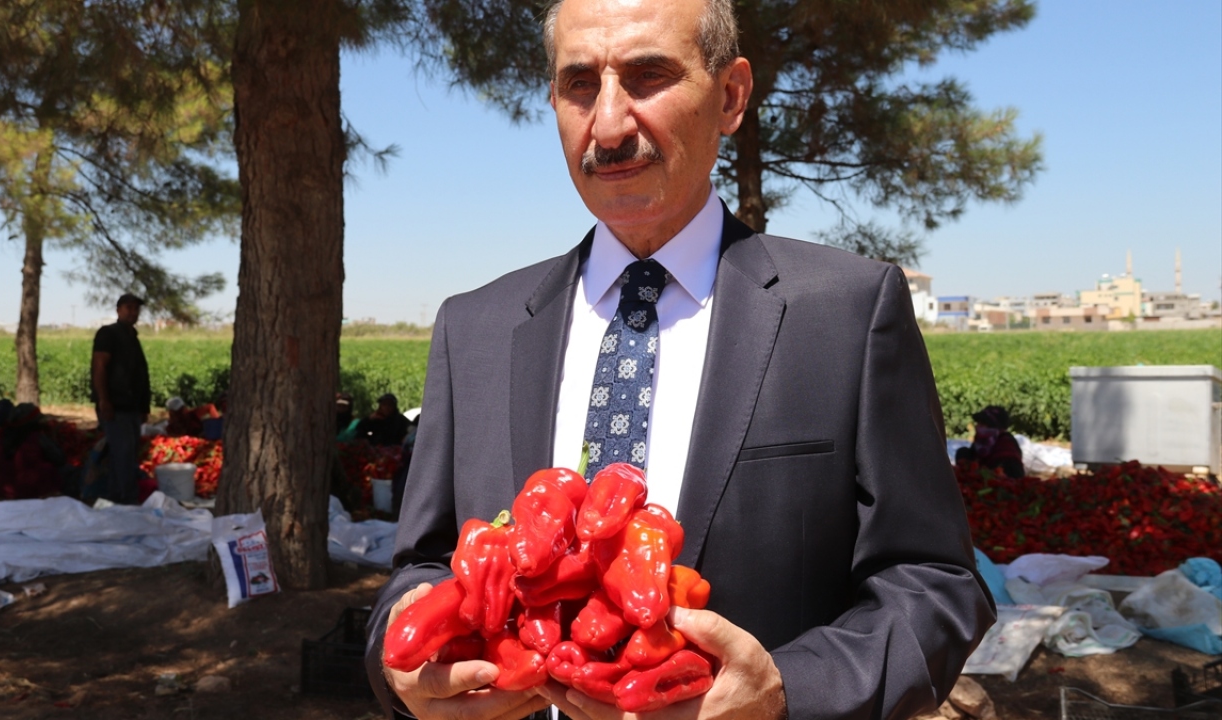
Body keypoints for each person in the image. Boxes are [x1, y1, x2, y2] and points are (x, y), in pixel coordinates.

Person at [364, 0, 994, 718]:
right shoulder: (473, 329)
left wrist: (787, 691)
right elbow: (421, 566)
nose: (607, 124)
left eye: (648, 75)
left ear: (729, 96)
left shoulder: (847, 312)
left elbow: (934, 581)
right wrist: (400, 661)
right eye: (578, 84)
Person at [91, 292, 151, 504]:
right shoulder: (109, 334)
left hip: (132, 406)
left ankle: (117, 497)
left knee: (127, 454)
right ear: (118, 310)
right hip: (115, 406)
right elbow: (99, 366)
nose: (132, 312)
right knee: (122, 454)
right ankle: (125, 499)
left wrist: (144, 406)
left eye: (136, 309)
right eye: (128, 308)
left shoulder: (132, 337)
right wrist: (103, 400)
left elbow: (140, 373)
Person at [955, 405, 1026, 478]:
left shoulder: (1006, 445)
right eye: (979, 423)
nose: (978, 427)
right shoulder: (980, 443)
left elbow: (1014, 478)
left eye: (983, 424)